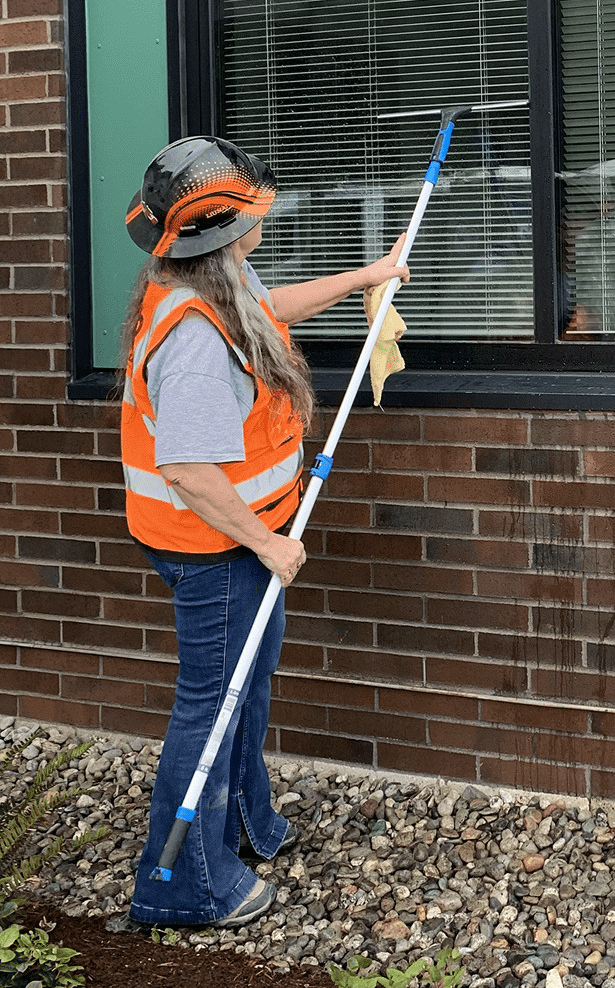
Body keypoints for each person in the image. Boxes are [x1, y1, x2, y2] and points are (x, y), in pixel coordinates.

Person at [120, 136, 408, 929]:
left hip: (238, 541)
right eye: (253, 213)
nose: (263, 223)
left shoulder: (215, 280)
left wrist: (367, 280)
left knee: (244, 684)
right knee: (210, 702)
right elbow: (189, 471)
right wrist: (268, 542)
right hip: (215, 548)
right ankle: (181, 885)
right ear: (219, 229)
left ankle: (244, 825)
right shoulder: (193, 342)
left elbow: (267, 309)